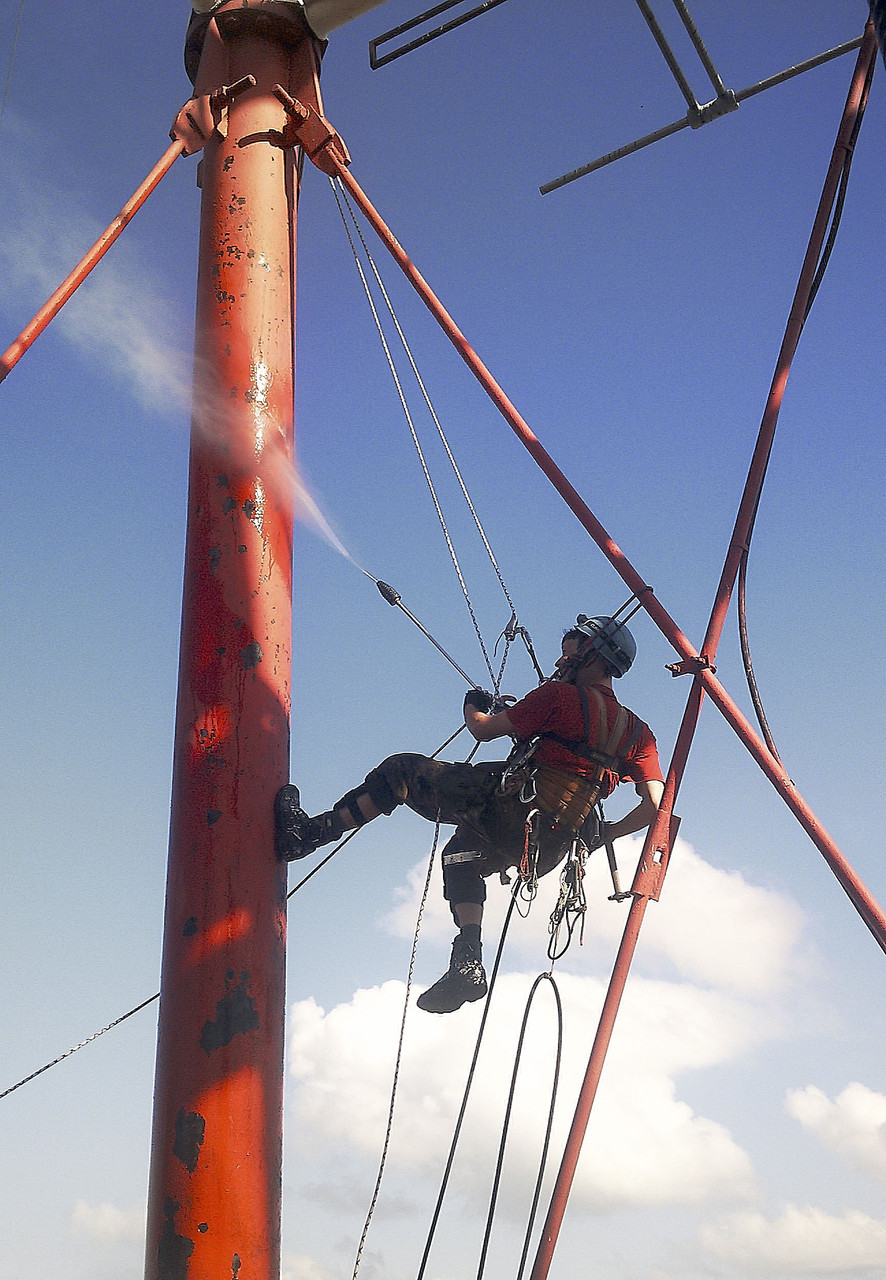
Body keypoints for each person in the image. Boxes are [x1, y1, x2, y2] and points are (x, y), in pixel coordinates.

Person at [274, 613, 664, 1014]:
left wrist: (473, 705)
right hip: (549, 847)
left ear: (594, 656)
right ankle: (467, 960)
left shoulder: (557, 697)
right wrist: (608, 833)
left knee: (403, 770)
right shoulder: (639, 733)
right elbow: (654, 806)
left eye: (568, 654)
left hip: (510, 809)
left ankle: (310, 834)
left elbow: (482, 729)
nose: (561, 662)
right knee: (459, 857)